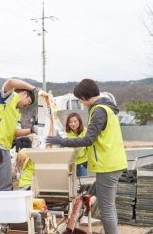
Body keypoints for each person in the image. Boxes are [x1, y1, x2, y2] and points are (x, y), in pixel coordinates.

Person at [46, 79, 127, 234]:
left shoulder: (99, 110)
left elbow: (88, 139)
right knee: (110, 207)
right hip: (113, 162)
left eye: (80, 99)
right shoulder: (107, 108)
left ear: (85, 95)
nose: (81, 102)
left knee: (106, 209)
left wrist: (62, 141)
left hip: (107, 164)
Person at [0, 78, 43, 191]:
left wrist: (32, 130)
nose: (27, 106)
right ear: (24, 93)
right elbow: (10, 82)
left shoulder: (17, 113)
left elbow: (15, 132)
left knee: (6, 185)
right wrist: (34, 89)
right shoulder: (7, 98)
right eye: (29, 102)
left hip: (4, 148)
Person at [65, 112, 88, 176]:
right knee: (70, 182)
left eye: (75, 121)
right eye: (70, 122)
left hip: (82, 161)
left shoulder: (85, 131)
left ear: (79, 122)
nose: (73, 124)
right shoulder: (65, 133)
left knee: (82, 182)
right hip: (70, 162)